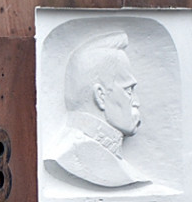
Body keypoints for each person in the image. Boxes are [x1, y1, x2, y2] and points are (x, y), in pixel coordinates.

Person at [45, 30, 149, 188]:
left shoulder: (116, 163)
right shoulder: (69, 154)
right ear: (100, 96)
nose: (137, 102)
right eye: (128, 90)